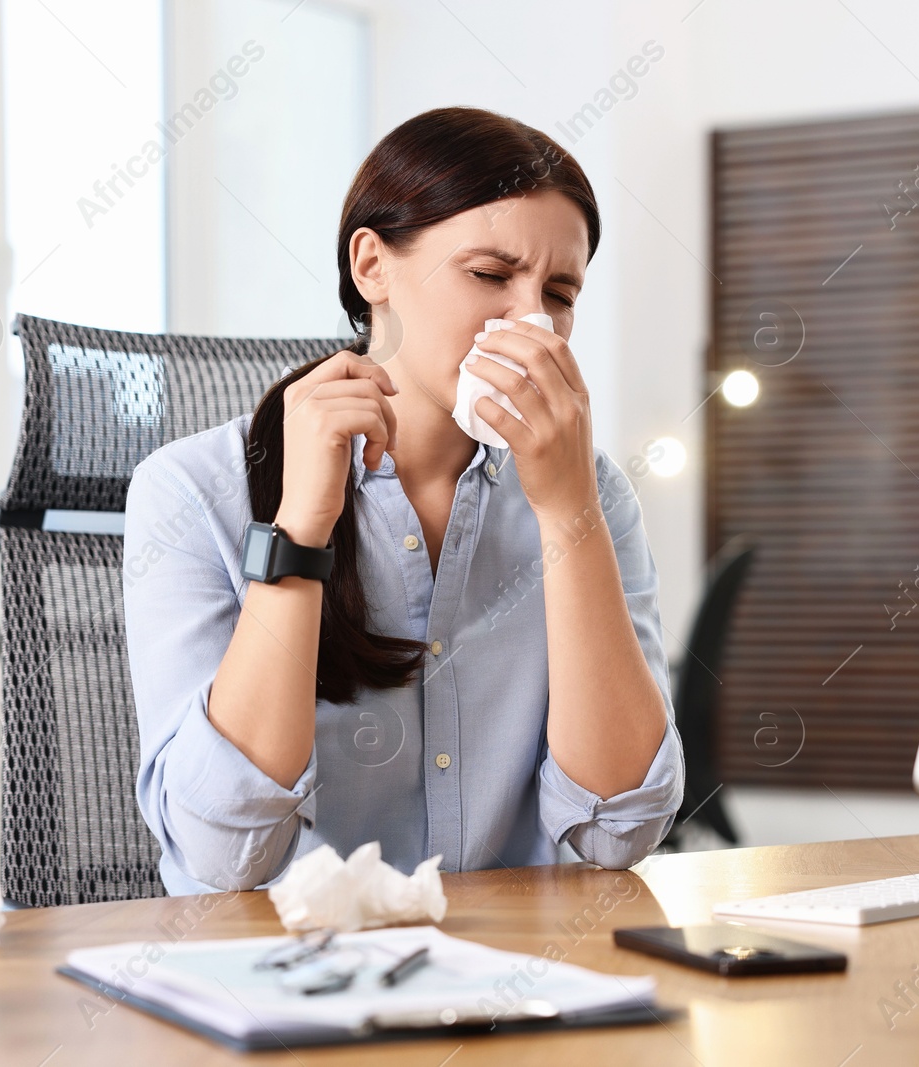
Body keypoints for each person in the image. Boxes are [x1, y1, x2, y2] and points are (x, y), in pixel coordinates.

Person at [123, 106, 684, 896]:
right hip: (288, 986)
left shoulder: (591, 493)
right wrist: (301, 530)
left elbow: (618, 831)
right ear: (371, 266)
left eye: (559, 292)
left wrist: (568, 515)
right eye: (490, 275)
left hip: (517, 981)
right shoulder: (189, 491)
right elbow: (224, 859)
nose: (532, 320)